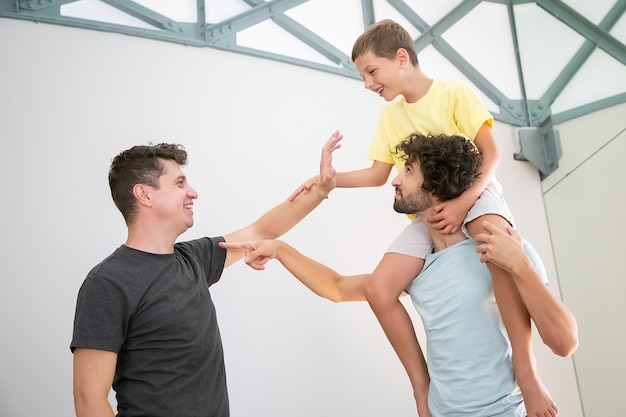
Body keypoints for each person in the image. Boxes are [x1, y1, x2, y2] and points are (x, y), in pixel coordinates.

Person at [289, 18, 556, 415]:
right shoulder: (390, 119)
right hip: (425, 218)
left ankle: (528, 373)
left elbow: (492, 154)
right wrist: (330, 180)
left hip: (478, 196)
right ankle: (421, 389)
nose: (367, 84)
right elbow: (379, 175)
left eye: (371, 72)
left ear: (401, 58)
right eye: (363, 77)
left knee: (496, 250)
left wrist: (465, 202)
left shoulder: (453, 94)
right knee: (380, 289)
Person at [229, 133, 578, 416]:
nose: (395, 179)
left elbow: (565, 342)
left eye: (408, 171)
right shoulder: (417, 268)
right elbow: (336, 287)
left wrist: (520, 265)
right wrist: (280, 249)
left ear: (436, 185)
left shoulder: (505, 248)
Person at [70, 131, 342, 417]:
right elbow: (89, 397)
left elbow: (262, 231)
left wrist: (321, 189)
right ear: (144, 194)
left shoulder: (193, 259)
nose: (193, 192)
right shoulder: (108, 283)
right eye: (179, 183)